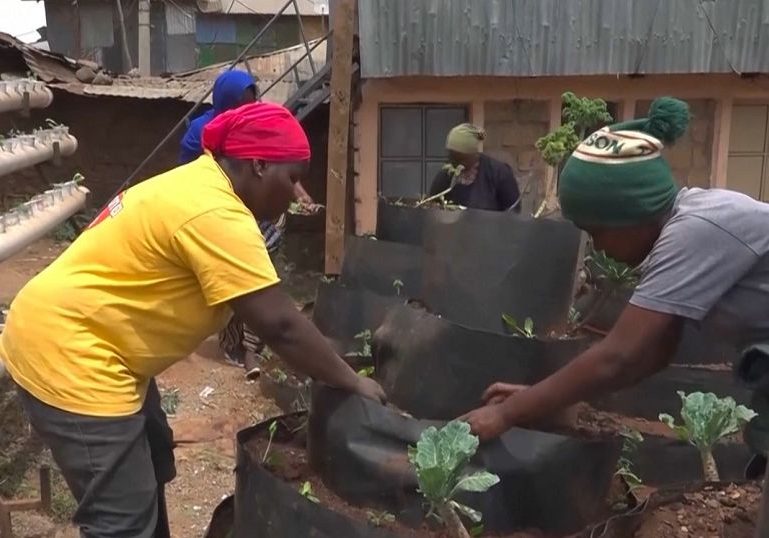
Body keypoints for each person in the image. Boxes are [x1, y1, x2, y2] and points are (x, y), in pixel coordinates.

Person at [0, 102, 384, 537]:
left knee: (154, 458)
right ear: (258, 165)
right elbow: (279, 325)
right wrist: (353, 382)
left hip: (99, 345)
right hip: (72, 355)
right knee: (121, 522)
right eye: (293, 178)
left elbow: (280, 319)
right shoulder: (216, 214)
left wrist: (338, 356)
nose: (298, 194)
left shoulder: (200, 182)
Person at [460, 97, 769, 456]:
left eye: (597, 231)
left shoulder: (695, 232)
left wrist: (507, 414)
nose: (597, 247)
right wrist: (533, 399)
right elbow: (651, 355)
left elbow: (617, 355)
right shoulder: (685, 227)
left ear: (631, 214)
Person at [179, 70, 315, 373]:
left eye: (251, 102)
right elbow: (195, 178)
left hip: (252, 210)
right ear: (225, 101)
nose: (247, 109)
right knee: (235, 282)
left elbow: (275, 163)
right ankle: (235, 344)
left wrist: (299, 193)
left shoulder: (256, 129)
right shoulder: (200, 134)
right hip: (219, 212)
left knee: (259, 271)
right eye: (241, 103)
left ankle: (253, 342)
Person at [428, 123, 521, 211]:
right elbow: (432, 208)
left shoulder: (499, 174)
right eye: (452, 158)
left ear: (475, 155)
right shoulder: (445, 175)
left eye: (462, 159)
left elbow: (513, 212)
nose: (457, 164)